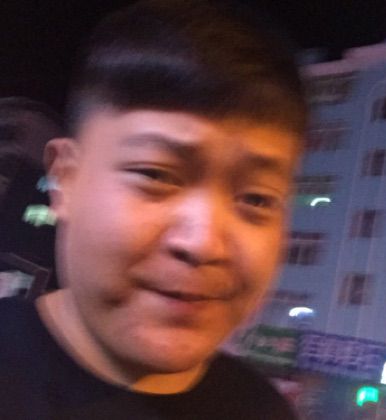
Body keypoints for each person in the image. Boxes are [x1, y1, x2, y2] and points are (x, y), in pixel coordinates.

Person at [0, 1, 306, 418]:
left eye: (256, 199)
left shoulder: (264, 410)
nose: (203, 243)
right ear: (65, 179)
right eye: (155, 174)